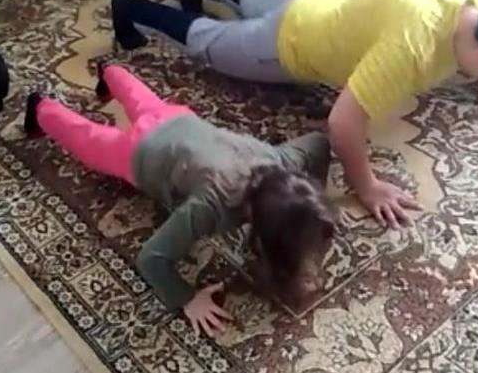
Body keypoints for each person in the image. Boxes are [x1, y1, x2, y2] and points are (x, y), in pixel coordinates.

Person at [110, 0, 478, 229]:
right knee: (213, 42)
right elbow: (343, 122)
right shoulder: (412, 46)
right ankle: (131, 9)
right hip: (295, 42)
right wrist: (367, 187)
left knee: (262, 0)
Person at [24, 64, 335, 337]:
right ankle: (40, 108)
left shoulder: (283, 161)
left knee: (143, 101)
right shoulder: (212, 206)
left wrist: (315, 190)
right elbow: (151, 258)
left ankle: (108, 71)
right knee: (86, 139)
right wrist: (186, 298)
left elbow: (319, 142)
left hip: (179, 121)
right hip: (141, 153)